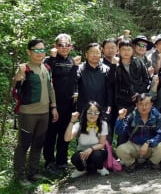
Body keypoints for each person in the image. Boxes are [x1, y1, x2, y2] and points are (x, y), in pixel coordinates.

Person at [11, 39, 59, 186]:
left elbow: (51, 89)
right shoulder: (24, 68)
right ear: (29, 51)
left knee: (38, 144)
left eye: (42, 50)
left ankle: (34, 172)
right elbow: (15, 85)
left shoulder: (46, 68)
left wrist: (54, 107)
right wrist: (18, 73)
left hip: (44, 113)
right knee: (24, 144)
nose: (40, 53)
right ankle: (19, 175)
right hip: (28, 114)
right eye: (36, 50)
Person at [43, 34, 79, 175]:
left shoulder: (72, 61)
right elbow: (48, 77)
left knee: (65, 134)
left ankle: (62, 162)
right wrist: (52, 59)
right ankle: (49, 162)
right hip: (52, 105)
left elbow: (75, 80)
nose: (64, 48)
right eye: (60, 45)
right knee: (50, 135)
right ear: (55, 46)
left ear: (71, 47)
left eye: (67, 45)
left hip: (68, 105)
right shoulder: (48, 60)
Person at [114, 93, 161, 172]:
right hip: (134, 145)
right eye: (141, 104)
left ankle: (152, 162)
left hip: (150, 146)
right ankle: (132, 163)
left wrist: (149, 142)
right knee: (120, 150)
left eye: (147, 104)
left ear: (151, 104)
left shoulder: (157, 116)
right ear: (137, 105)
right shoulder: (132, 116)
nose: (144, 107)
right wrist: (120, 119)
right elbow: (119, 132)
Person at [64, 102, 109, 178]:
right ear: (85, 113)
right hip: (83, 153)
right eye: (90, 112)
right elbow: (67, 139)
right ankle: (81, 170)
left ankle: (100, 168)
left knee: (97, 155)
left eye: (96, 112)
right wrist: (72, 122)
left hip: (97, 151)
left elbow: (102, 144)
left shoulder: (103, 124)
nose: (93, 115)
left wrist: (91, 149)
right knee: (75, 158)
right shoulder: (79, 125)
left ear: (99, 114)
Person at [76, 43, 114, 117]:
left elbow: (109, 89)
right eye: (92, 52)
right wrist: (74, 67)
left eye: (97, 53)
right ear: (86, 54)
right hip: (84, 107)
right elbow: (73, 83)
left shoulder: (106, 69)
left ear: (101, 54)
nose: (95, 55)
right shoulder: (80, 69)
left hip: (102, 107)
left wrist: (109, 104)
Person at [115, 40, 150, 113]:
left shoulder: (138, 62)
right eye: (123, 49)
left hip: (138, 99)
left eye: (128, 50)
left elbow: (146, 80)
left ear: (132, 50)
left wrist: (139, 92)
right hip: (121, 100)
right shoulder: (116, 64)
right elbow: (112, 83)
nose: (126, 52)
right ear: (119, 50)